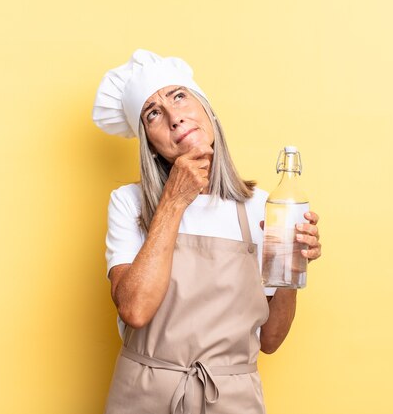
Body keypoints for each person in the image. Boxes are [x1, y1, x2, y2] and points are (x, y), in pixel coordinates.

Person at [92, 49, 322, 414]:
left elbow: (271, 340)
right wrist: (173, 201)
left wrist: (292, 270)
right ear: (150, 145)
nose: (174, 117)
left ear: (207, 110)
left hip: (230, 399)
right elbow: (134, 310)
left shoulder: (262, 208)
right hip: (143, 395)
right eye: (153, 113)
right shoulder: (129, 203)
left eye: (179, 96)